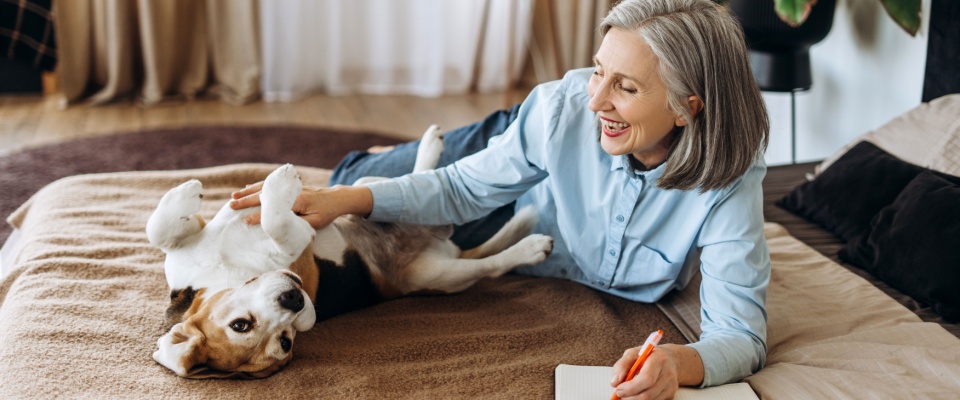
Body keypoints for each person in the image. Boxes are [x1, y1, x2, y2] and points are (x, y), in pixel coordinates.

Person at [231, 0, 770, 398]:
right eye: (599, 70)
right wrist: (345, 198)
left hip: (529, 199)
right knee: (357, 181)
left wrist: (680, 361)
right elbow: (462, 190)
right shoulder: (566, 107)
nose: (597, 98)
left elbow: (741, 335)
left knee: (420, 228)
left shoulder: (729, 180)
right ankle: (382, 159)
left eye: (626, 87)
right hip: (523, 169)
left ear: (686, 107)